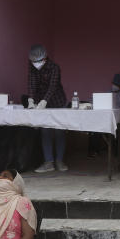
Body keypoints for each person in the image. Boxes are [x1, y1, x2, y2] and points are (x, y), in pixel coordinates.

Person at [27, 44, 68, 173]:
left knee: (59, 130)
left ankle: (60, 161)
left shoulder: (54, 67)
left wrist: (45, 101)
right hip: (40, 103)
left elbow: (53, 86)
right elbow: (31, 84)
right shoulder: (32, 67)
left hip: (57, 101)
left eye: (38, 61)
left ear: (44, 58)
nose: (35, 64)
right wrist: (31, 99)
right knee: (45, 131)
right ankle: (48, 162)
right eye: (33, 61)